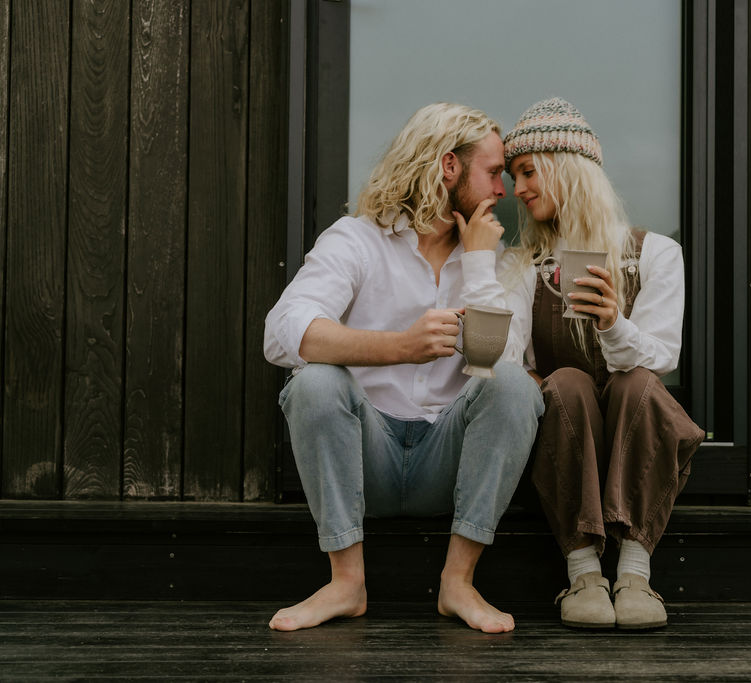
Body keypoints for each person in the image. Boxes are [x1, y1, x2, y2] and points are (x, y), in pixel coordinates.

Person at [263, 102, 544, 634]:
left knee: (512, 384)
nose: (503, 190)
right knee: (314, 382)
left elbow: (504, 367)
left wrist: (480, 264)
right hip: (367, 456)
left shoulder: (496, 259)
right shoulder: (357, 239)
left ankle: (458, 581)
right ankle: (346, 583)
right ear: (448, 166)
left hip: (448, 458)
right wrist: (399, 347)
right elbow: (282, 333)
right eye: (493, 172)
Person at [499, 97, 705, 630]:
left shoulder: (656, 252)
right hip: (567, 433)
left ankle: (635, 570)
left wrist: (613, 323)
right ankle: (584, 569)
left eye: (526, 172)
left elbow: (664, 355)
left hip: (631, 430)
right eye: (512, 176)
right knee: (564, 381)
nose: (516, 190)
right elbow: (504, 354)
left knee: (638, 381)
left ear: (566, 166)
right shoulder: (523, 264)